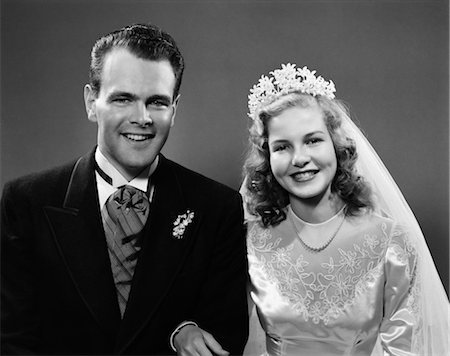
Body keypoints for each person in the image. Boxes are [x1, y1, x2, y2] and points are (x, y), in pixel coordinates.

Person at [1, 23, 249, 355]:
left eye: (157, 102)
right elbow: (11, 339)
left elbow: (224, 336)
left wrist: (181, 330)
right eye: (123, 99)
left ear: (173, 110)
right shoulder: (26, 202)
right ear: (92, 102)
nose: (141, 117)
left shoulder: (217, 208)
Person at [241, 63, 449, 355]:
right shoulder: (250, 242)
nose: (299, 158)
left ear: (337, 145)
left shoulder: (391, 241)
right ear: (267, 157)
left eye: (313, 140)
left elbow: (404, 348)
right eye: (282, 147)